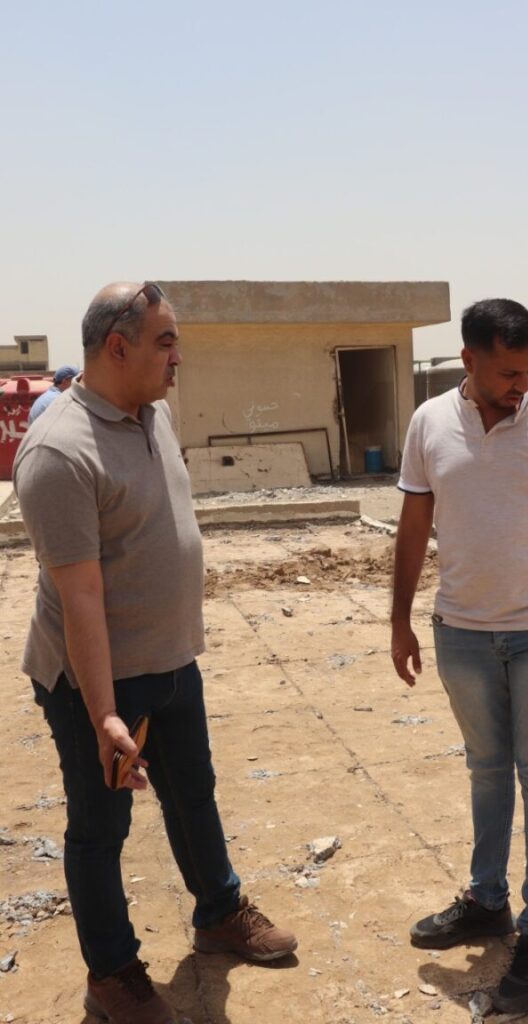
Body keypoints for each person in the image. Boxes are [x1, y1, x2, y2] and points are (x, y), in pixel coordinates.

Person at [13, 282, 297, 1024]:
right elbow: (80, 597)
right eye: (165, 341)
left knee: (193, 792)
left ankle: (219, 913)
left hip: (170, 662)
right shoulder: (58, 452)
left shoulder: (155, 415)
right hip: (96, 680)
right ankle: (111, 973)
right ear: (118, 347)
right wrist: (104, 714)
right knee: (100, 828)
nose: (178, 356)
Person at [391, 298, 528, 1017]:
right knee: (486, 769)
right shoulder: (429, 422)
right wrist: (398, 619)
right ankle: (487, 901)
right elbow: (413, 524)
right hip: (461, 631)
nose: (522, 385)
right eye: (509, 373)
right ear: (469, 360)